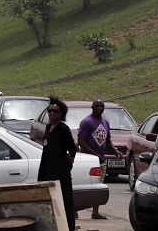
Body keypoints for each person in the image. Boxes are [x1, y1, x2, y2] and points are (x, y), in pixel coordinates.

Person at [77, 99, 121, 220]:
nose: (99, 108)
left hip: (101, 160)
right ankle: (75, 209)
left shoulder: (105, 122)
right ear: (92, 107)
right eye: (97, 105)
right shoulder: (86, 122)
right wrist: (94, 154)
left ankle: (95, 212)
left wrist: (115, 150)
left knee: (98, 185)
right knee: (83, 185)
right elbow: (81, 141)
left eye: (101, 106)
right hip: (88, 160)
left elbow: (107, 141)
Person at [39, 96, 76, 231]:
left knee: (64, 201)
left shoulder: (63, 129)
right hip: (47, 168)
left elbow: (72, 148)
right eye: (50, 111)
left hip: (60, 172)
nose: (52, 113)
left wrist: (68, 160)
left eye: (55, 111)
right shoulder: (48, 127)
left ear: (61, 113)